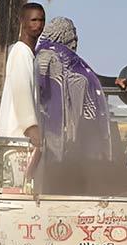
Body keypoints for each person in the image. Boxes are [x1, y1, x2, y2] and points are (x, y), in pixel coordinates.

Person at [34, 17, 112, 193]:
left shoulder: (72, 62)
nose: (75, 41)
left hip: (73, 134)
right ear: (61, 34)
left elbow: (91, 79)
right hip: (51, 131)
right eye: (72, 35)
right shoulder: (45, 57)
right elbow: (41, 93)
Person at [0, 2, 46, 146]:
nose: (38, 24)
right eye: (34, 20)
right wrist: (31, 128)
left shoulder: (30, 55)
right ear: (22, 22)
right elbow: (21, 91)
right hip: (18, 139)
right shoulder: (20, 52)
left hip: (23, 140)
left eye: (42, 20)